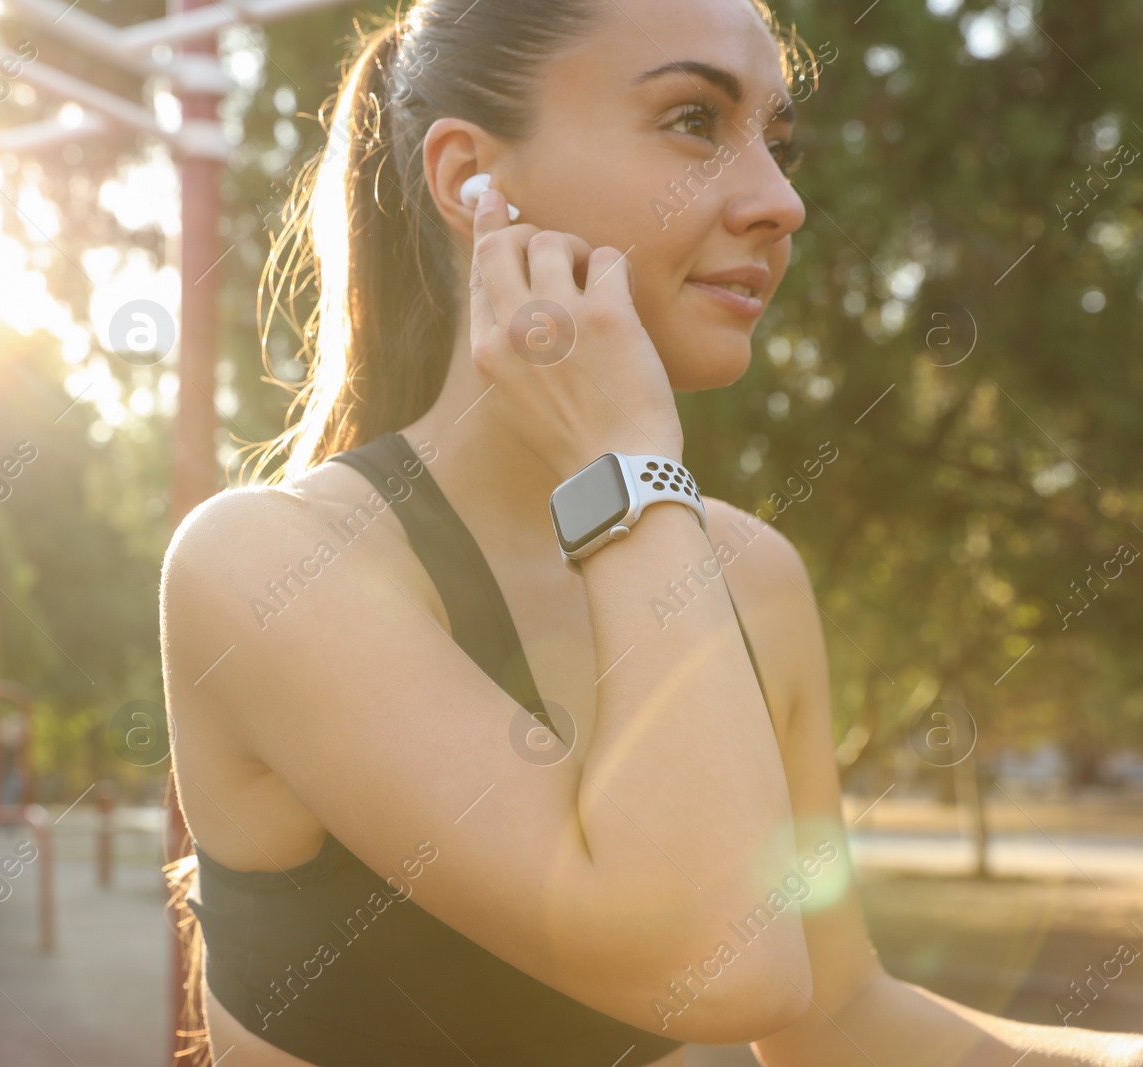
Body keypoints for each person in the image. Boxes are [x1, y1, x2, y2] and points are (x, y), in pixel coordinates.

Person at [159, 0, 1143, 1063]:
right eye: (690, 119)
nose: (782, 201)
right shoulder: (263, 564)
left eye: (776, 138)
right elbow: (721, 967)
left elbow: (836, 1015)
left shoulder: (751, 577)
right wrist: (621, 457)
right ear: (468, 182)